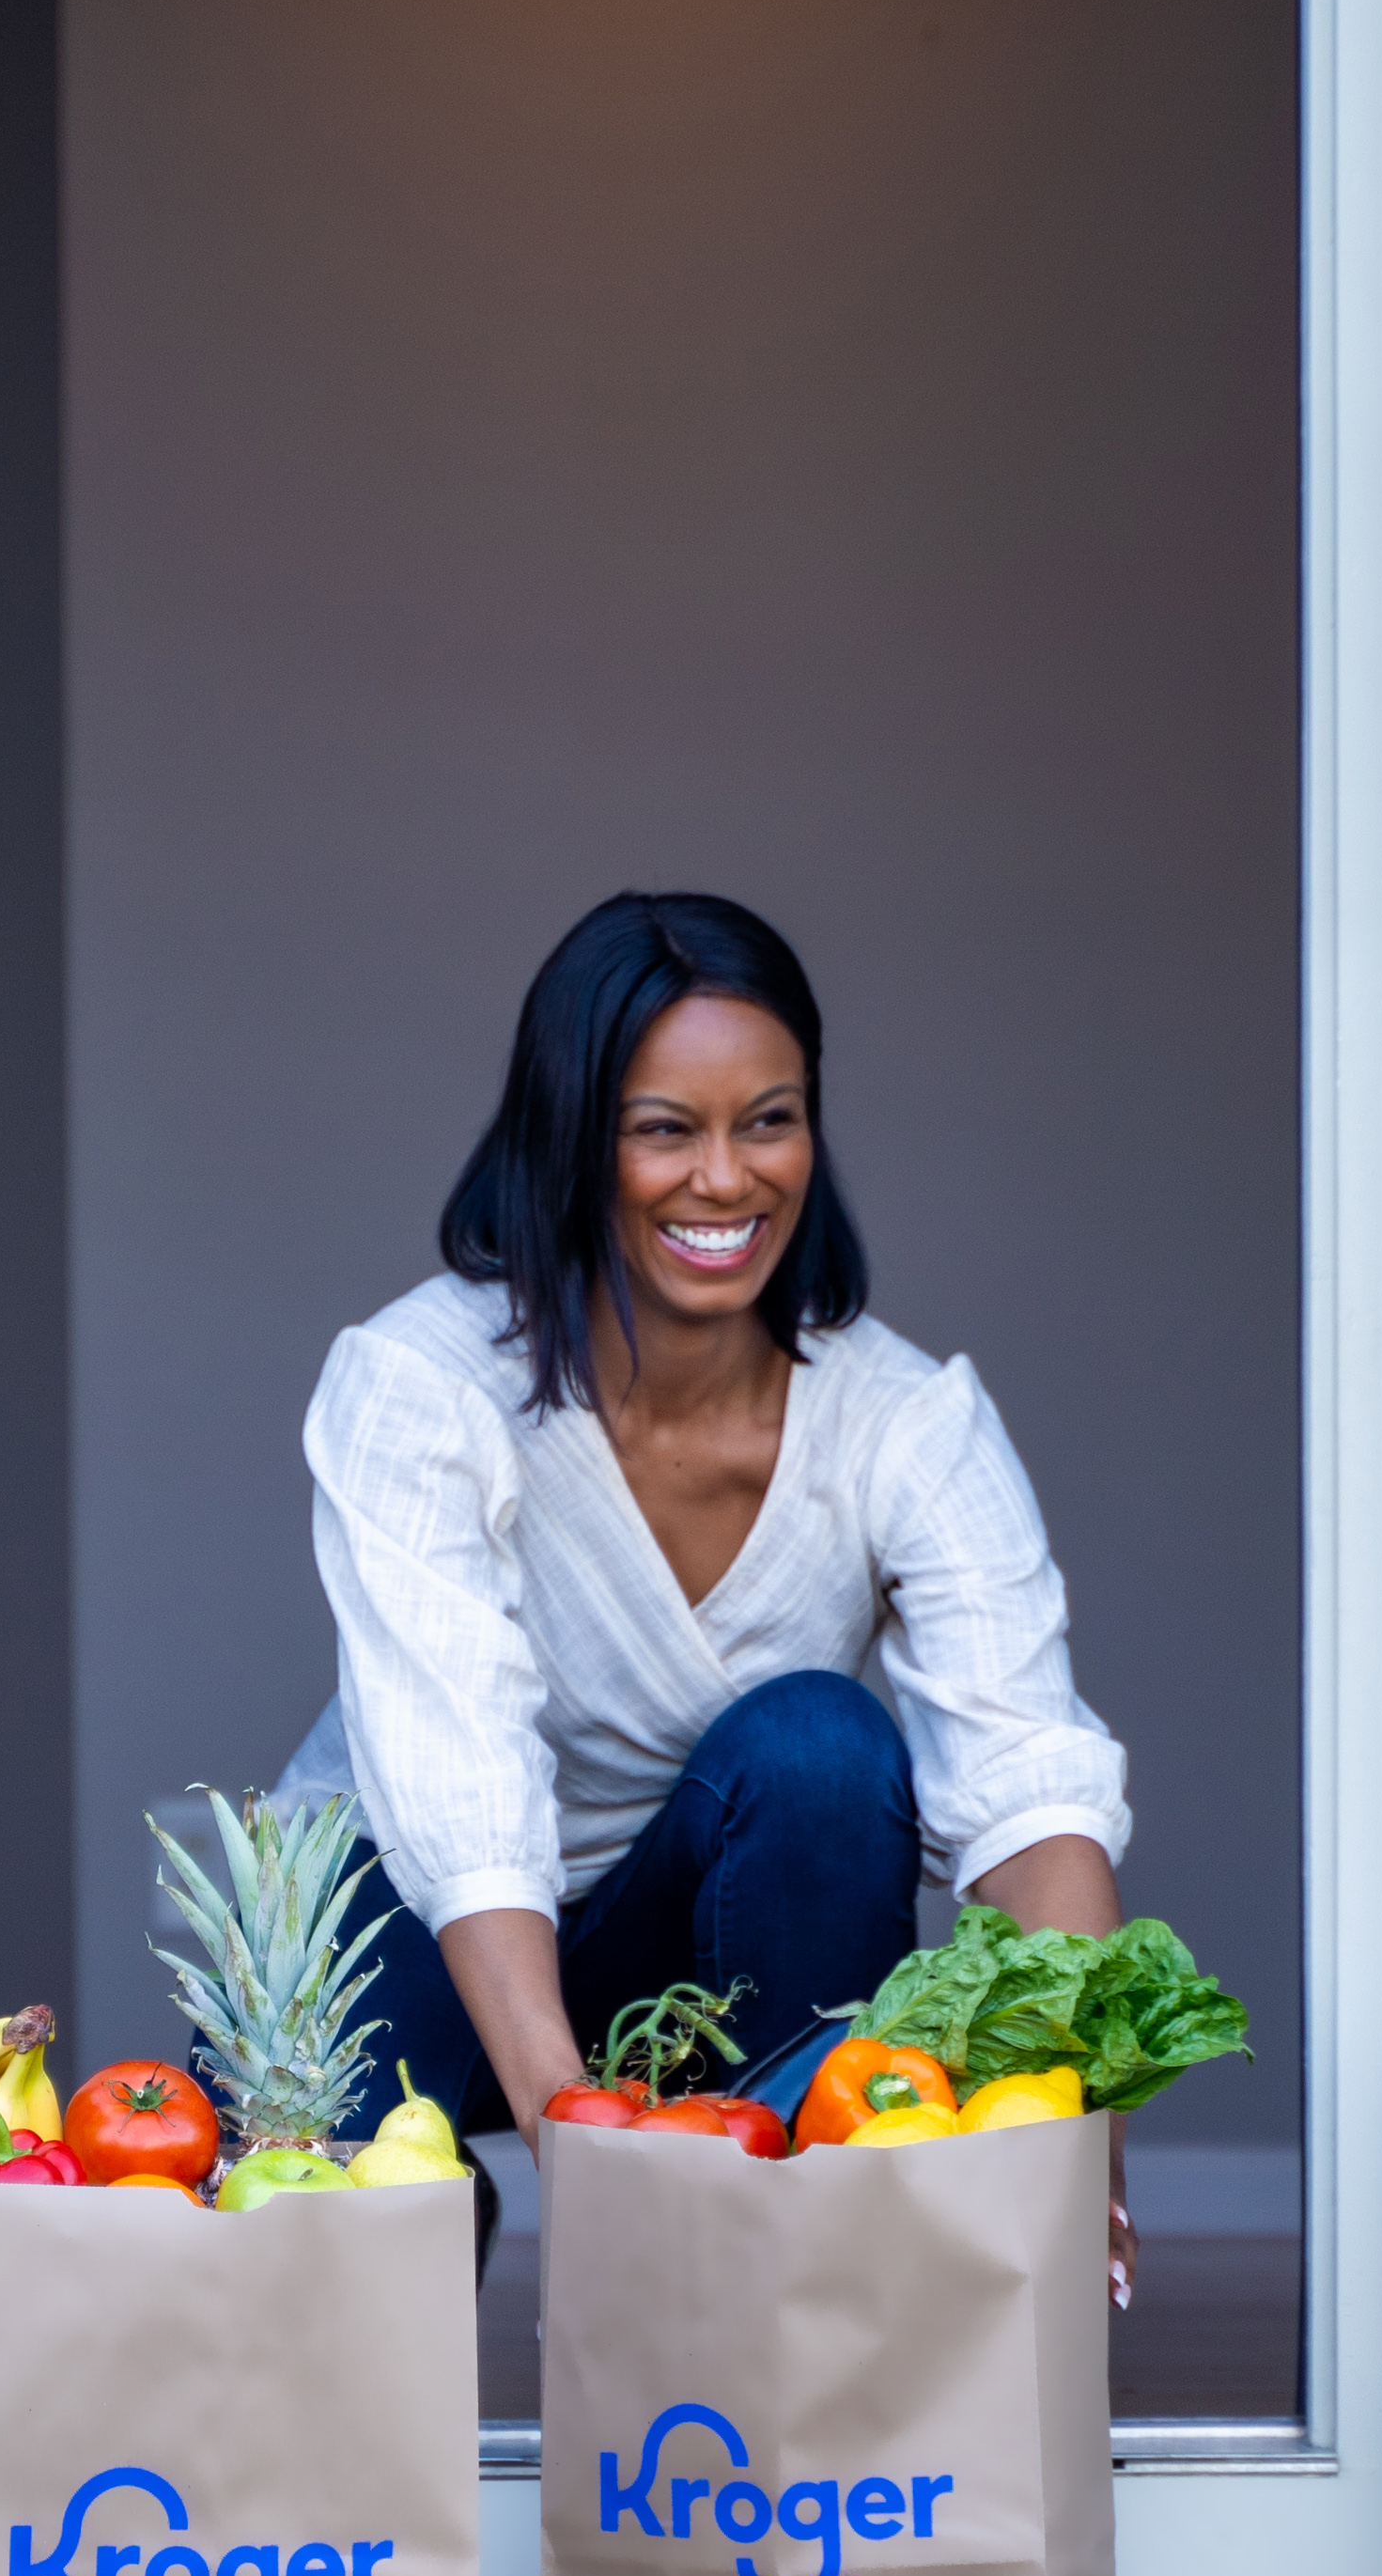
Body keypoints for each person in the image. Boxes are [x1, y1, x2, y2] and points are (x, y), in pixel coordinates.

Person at [267, 889, 1138, 2291]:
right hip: (417, 1943)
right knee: (349, 2263)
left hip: (702, 1942)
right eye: (665, 1128)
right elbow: (460, 1787)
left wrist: (1078, 2120)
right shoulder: (421, 1383)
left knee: (820, 1746)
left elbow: (1027, 1781)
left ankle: (774, 2260)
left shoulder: (906, 1421)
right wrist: (578, 2138)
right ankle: (436, 2215)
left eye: (770, 1120)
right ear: (570, 1142)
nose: (726, 1179)